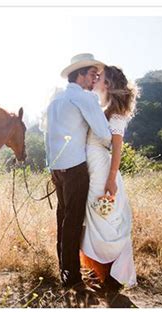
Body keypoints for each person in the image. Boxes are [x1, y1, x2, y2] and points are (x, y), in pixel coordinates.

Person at [45, 53, 111, 291]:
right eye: (92, 75)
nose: (95, 79)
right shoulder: (85, 98)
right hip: (75, 167)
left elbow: (47, 135)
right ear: (80, 75)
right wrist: (109, 148)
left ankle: (65, 269)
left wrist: (50, 163)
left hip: (56, 167)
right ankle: (72, 278)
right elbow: (103, 133)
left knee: (63, 218)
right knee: (73, 220)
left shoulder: (55, 99)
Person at [80, 65, 139, 297]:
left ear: (108, 84)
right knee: (93, 220)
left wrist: (111, 180)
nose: (95, 79)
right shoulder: (100, 110)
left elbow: (117, 149)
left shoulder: (115, 115)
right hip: (94, 169)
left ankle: (110, 275)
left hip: (104, 173)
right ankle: (99, 273)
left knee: (102, 219)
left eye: (100, 77)